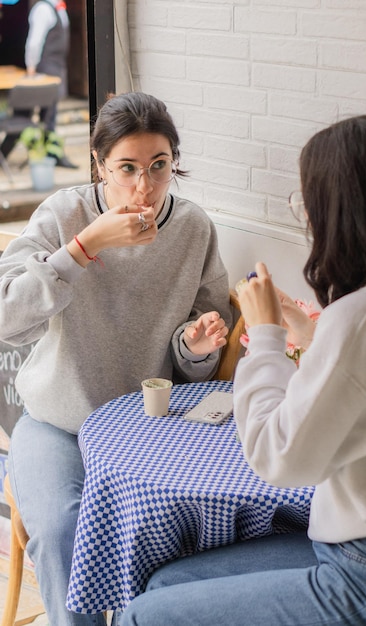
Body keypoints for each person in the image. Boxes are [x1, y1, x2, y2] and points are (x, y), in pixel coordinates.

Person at [119, 114, 366, 625]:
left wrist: (265, 337)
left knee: (144, 616)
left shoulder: (362, 315)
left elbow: (278, 460)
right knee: (167, 582)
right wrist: (306, 329)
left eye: (308, 202)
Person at [0, 91, 232, 626]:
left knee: (166, 536)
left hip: (146, 433)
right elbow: (8, 319)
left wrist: (194, 346)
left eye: (159, 166)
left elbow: (193, 352)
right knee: (62, 528)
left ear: (175, 163)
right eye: (126, 168)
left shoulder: (193, 228)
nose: (144, 186)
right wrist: (84, 248)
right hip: (56, 423)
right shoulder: (65, 214)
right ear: (99, 163)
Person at [0, 0, 78, 168]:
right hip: (43, 69)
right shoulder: (43, 9)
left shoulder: (60, 9)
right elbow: (35, 41)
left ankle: (51, 154)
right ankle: (5, 151)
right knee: (24, 113)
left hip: (57, 67)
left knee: (49, 115)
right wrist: (31, 67)